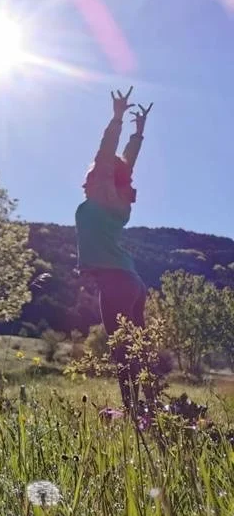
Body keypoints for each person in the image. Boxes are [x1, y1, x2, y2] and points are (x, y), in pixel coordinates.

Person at [75, 86, 154, 411]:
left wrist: (117, 118)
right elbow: (126, 163)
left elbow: (107, 154)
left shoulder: (103, 194)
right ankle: (150, 407)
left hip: (116, 282)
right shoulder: (119, 200)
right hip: (131, 280)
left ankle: (134, 412)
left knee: (123, 350)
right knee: (139, 349)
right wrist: (138, 134)